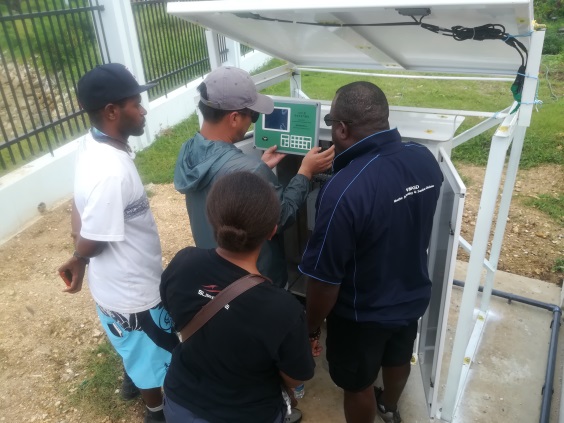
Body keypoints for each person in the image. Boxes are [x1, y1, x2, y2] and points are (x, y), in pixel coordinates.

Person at [299, 81, 443, 423]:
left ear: (341, 128)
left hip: (361, 314)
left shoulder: (343, 189)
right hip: (410, 295)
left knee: (357, 384)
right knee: (398, 357)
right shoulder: (423, 158)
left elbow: (324, 280)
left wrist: (311, 327)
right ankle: (389, 408)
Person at [57, 63, 179, 423]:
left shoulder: (91, 143)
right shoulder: (111, 171)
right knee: (155, 358)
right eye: (135, 104)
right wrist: (79, 256)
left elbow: (79, 204)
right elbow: (95, 237)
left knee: (133, 345)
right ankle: (156, 411)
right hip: (134, 293)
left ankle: (131, 375)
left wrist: (79, 253)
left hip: (111, 287)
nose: (143, 111)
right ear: (112, 111)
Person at [160, 171, 315, 423]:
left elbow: (172, 312)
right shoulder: (283, 309)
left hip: (181, 404)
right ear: (272, 231)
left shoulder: (183, 263)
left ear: (211, 218)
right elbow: (296, 377)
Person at [174, 65, 334, 288]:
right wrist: (305, 172)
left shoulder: (188, 150)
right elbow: (280, 218)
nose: (253, 120)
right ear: (234, 118)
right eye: (254, 115)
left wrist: (260, 167)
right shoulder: (250, 171)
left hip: (216, 273)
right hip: (256, 280)